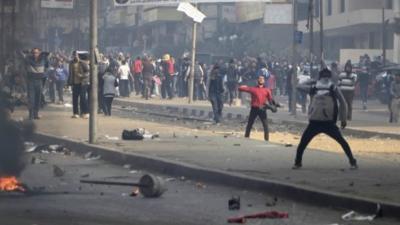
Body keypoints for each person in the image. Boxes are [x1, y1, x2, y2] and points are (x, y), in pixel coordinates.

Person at [292, 68, 358, 170]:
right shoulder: (330, 88)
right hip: (326, 122)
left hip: (317, 122)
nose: (325, 80)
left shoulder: (318, 87)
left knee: (303, 143)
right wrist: (343, 119)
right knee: (342, 142)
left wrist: (312, 80)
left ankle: (297, 163)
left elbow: (298, 86)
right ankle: (352, 162)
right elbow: (343, 103)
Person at [239, 75, 274, 141]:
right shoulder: (253, 89)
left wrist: (273, 106)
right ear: (257, 80)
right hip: (254, 109)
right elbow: (240, 88)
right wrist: (244, 86)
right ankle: (246, 137)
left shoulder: (267, 90)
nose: (261, 80)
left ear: (264, 81)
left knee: (265, 125)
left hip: (262, 109)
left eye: (262, 79)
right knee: (250, 123)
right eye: (260, 78)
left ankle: (266, 140)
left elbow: (270, 100)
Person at [24, 48, 49, 120]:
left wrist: (45, 74)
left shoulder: (43, 59)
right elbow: (21, 55)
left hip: (39, 81)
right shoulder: (28, 59)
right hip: (31, 81)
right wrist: (28, 53)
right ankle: (31, 115)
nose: (35, 54)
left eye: (37, 53)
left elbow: (47, 66)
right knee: (31, 99)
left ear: (39, 53)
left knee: (38, 99)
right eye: (34, 53)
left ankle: (36, 114)